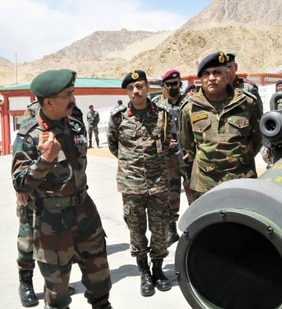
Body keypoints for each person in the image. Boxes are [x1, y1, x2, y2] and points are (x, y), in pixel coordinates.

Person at [11, 69, 112, 309]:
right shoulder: (29, 136)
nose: (73, 99)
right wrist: (45, 160)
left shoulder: (75, 126)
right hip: (52, 224)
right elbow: (20, 183)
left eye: (72, 93)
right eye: (67, 95)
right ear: (48, 101)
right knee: (57, 295)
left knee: (101, 284)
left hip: (86, 214)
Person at [108, 70, 172, 296]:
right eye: (131, 88)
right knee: (136, 230)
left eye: (140, 86)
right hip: (131, 184)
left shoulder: (163, 114)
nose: (136, 91)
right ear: (127, 91)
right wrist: (131, 165)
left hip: (158, 183)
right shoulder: (117, 117)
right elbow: (114, 146)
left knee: (160, 228)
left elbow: (166, 142)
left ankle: (157, 268)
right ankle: (144, 271)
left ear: (147, 87)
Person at [15, 101, 81, 307]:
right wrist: (19, 189)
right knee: (27, 240)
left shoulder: (72, 110)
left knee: (55, 246)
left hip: (59, 190)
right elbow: (21, 154)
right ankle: (25, 283)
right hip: (33, 190)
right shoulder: (33, 111)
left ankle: (54, 285)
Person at [180, 51, 263, 201]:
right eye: (206, 74)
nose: (211, 78)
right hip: (204, 184)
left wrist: (240, 159)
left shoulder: (247, 103)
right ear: (201, 78)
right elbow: (188, 145)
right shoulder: (189, 108)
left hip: (241, 180)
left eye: (217, 72)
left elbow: (257, 139)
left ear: (227, 74)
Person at [155, 69, 192, 247]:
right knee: (171, 194)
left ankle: (195, 227)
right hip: (169, 158)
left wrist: (192, 149)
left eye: (174, 84)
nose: (171, 88)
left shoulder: (190, 103)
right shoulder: (161, 107)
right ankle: (172, 230)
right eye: (168, 85)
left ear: (180, 84)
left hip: (189, 157)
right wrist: (164, 142)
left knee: (193, 193)